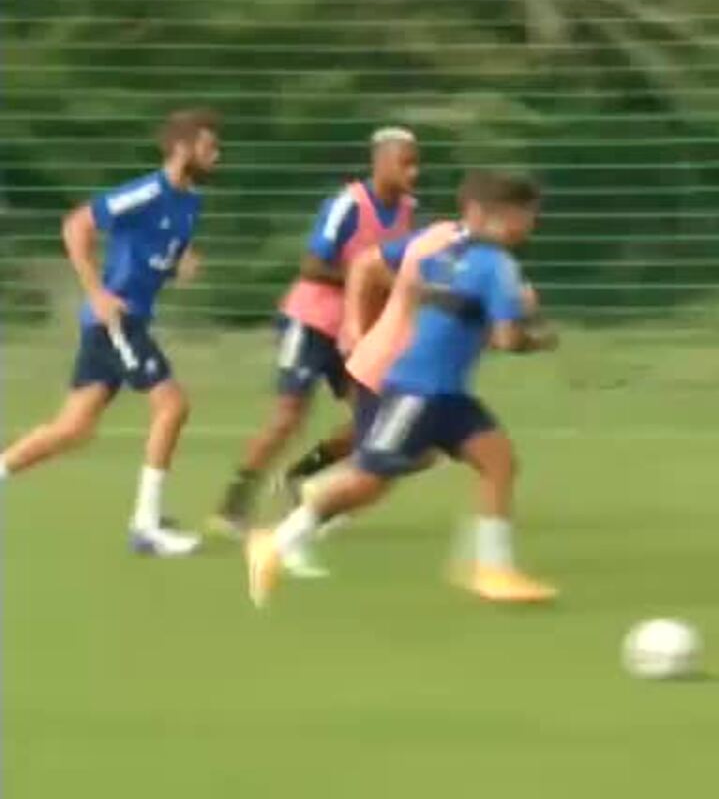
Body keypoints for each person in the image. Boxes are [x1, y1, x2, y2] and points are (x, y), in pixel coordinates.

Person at [247, 172, 558, 607]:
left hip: (447, 393)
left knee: (499, 461)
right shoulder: (497, 265)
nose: (531, 225)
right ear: (504, 216)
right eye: (527, 215)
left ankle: (493, 570)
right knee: (369, 483)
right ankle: (275, 542)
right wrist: (537, 336)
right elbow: (506, 339)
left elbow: (441, 302)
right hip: (418, 391)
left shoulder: (446, 251)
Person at [0, 109, 222, 556]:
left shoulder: (191, 202)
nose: (217, 155)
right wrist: (98, 293)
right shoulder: (146, 192)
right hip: (117, 320)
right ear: (182, 149)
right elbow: (76, 226)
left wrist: (179, 264)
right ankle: (146, 526)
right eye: (208, 146)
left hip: (123, 322)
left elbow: (161, 251)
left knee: (72, 428)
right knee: (172, 406)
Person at [208, 127, 419, 537]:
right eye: (405, 163)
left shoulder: (408, 212)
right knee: (288, 416)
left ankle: (302, 476)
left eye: (416, 164)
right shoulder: (348, 205)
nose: (413, 172)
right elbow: (312, 265)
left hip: (357, 332)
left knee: (374, 422)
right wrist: (364, 280)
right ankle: (232, 505)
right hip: (313, 322)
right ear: (380, 163)